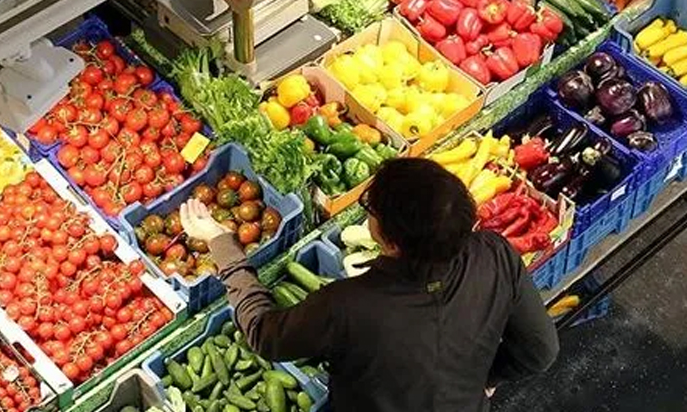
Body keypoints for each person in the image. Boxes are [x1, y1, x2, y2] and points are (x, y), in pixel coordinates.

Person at [180, 158, 559, 412]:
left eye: (369, 206)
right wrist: (484, 382)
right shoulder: (496, 254)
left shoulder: (349, 305)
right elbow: (541, 350)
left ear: (390, 240)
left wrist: (222, 244)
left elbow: (265, 335)